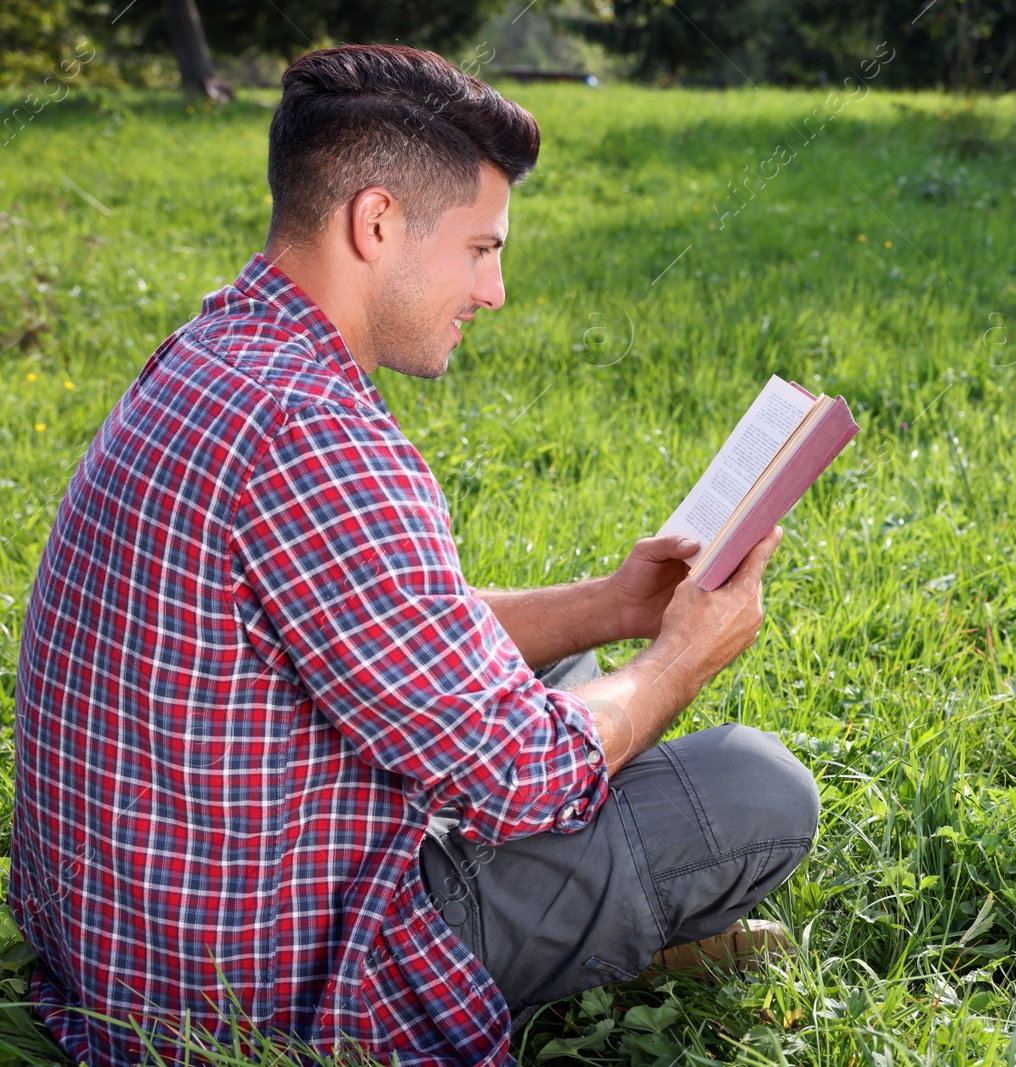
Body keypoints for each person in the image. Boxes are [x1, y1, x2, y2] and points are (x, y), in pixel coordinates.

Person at [9, 43, 820, 1067]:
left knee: (558, 671)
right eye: (481, 248)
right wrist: (679, 659)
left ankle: (611, 902)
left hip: (129, 942)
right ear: (378, 222)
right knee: (760, 788)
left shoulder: (216, 350)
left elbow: (395, 624)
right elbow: (525, 770)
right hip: (266, 985)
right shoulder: (317, 433)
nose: (496, 291)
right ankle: (611, 932)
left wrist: (616, 605)